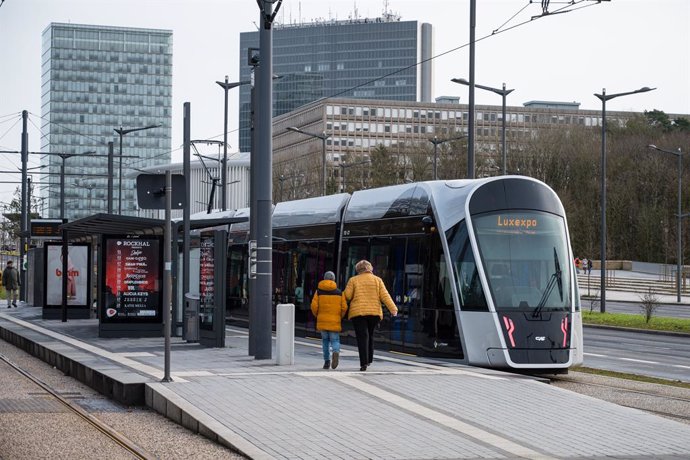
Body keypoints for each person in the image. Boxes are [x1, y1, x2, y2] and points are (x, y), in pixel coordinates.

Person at [343, 260, 398, 371]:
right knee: (370, 335)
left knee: (362, 337)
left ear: (358, 269)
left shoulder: (353, 280)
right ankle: (369, 360)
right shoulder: (378, 280)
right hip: (374, 313)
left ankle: (363, 363)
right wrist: (393, 309)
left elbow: (347, 296)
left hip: (358, 313)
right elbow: (385, 296)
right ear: (370, 268)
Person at [310, 271, 348, 370]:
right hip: (334, 321)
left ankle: (326, 362)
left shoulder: (318, 292)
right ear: (334, 279)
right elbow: (344, 307)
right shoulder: (339, 293)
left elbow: (314, 306)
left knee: (325, 341)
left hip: (322, 321)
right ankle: (336, 352)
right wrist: (340, 316)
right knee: (335, 340)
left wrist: (318, 315)